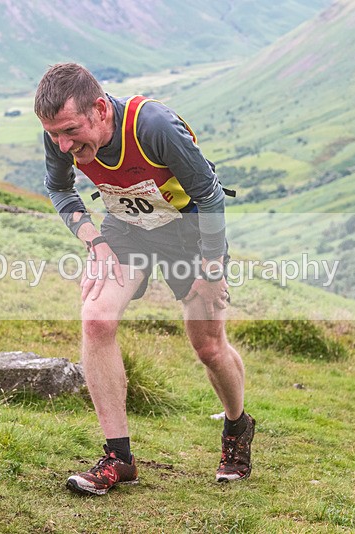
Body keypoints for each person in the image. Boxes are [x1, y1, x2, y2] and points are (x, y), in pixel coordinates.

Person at [34, 62, 254, 495]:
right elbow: (60, 189)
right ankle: (119, 458)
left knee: (208, 346)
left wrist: (212, 269)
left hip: (190, 233)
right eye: (54, 134)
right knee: (96, 318)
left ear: (100, 109)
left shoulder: (153, 125)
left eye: (70, 131)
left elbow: (209, 194)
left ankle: (237, 426)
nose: (62, 144)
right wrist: (94, 241)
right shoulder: (59, 134)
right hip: (127, 229)